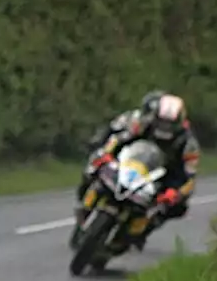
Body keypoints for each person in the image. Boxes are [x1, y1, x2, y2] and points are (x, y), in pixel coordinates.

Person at [76, 93, 200, 247]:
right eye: (161, 122)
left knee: (176, 208)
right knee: (94, 168)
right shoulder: (142, 122)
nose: (164, 128)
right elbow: (119, 139)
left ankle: (139, 232)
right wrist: (106, 154)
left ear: (180, 122)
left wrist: (175, 193)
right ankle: (85, 205)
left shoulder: (189, 143)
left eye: (169, 124)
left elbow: (189, 176)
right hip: (131, 162)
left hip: (162, 177)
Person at [83, 89, 167, 156]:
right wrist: (98, 142)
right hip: (125, 156)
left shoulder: (169, 129)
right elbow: (112, 128)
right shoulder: (133, 117)